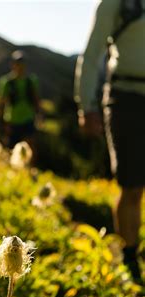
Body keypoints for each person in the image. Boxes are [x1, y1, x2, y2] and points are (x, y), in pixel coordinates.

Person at [75, 0, 145, 282]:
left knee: (137, 187)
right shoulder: (116, 3)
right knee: (131, 185)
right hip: (124, 98)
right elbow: (92, 54)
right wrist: (86, 105)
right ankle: (130, 258)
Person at [0, 50, 41, 151]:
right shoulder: (6, 82)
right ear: (12, 65)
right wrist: (2, 123)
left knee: (30, 148)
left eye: (22, 64)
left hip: (29, 119)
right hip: (12, 120)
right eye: (17, 63)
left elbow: (36, 99)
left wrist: (39, 115)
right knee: (11, 148)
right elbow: (2, 103)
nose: (20, 67)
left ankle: (30, 166)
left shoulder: (32, 80)